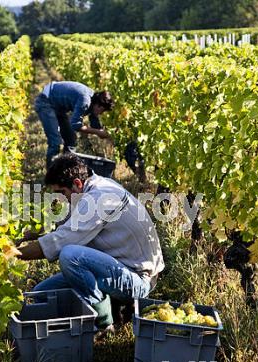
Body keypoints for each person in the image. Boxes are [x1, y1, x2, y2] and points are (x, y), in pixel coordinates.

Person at [17, 154, 164, 332]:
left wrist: (13, 253)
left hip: (138, 280)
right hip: (117, 267)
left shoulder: (98, 199)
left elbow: (60, 240)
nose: (59, 200)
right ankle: (104, 308)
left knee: (70, 256)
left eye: (61, 193)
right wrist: (20, 236)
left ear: (77, 184)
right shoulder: (89, 189)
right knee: (42, 294)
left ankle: (104, 323)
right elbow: (59, 223)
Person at [34, 81, 114, 168]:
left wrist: (107, 134)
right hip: (46, 101)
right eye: (102, 111)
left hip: (58, 106)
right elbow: (75, 125)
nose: (101, 113)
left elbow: (94, 121)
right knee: (55, 142)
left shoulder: (94, 100)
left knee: (71, 139)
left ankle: (65, 170)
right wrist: (97, 132)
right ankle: (51, 177)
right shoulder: (85, 101)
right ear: (98, 105)